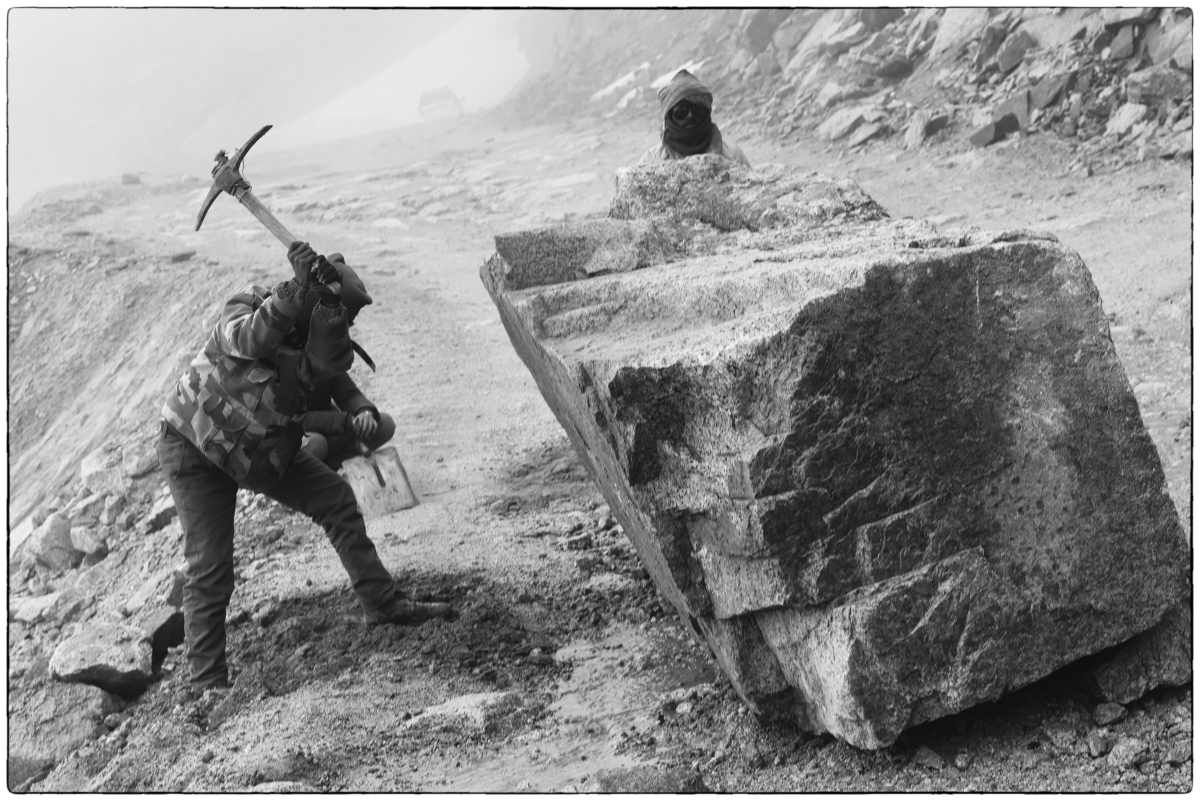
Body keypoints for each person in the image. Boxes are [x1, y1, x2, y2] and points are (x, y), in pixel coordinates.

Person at [159, 241, 452, 691]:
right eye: (338, 316)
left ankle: (382, 602)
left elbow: (333, 367)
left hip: (260, 455)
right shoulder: (250, 305)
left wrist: (330, 308)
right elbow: (249, 339)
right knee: (210, 565)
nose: (345, 326)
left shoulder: (323, 339)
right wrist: (294, 291)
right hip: (196, 446)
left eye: (346, 320)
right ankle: (206, 683)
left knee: (335, 498)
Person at [638, 69, 751, 168]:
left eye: (698, 110)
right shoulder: (651, 161)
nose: (690, 116)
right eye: (681, 112)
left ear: (707, 112)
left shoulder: (732, 155)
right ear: (669, 117)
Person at [301, 373, 396, 471]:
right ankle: (294, 481)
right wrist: (345, 420)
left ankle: (328, 470)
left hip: (327, 427)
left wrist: (364, 412)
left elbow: (349, 393)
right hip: (293, 437)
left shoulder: (322, 359)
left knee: (384, 424)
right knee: (316, 442)